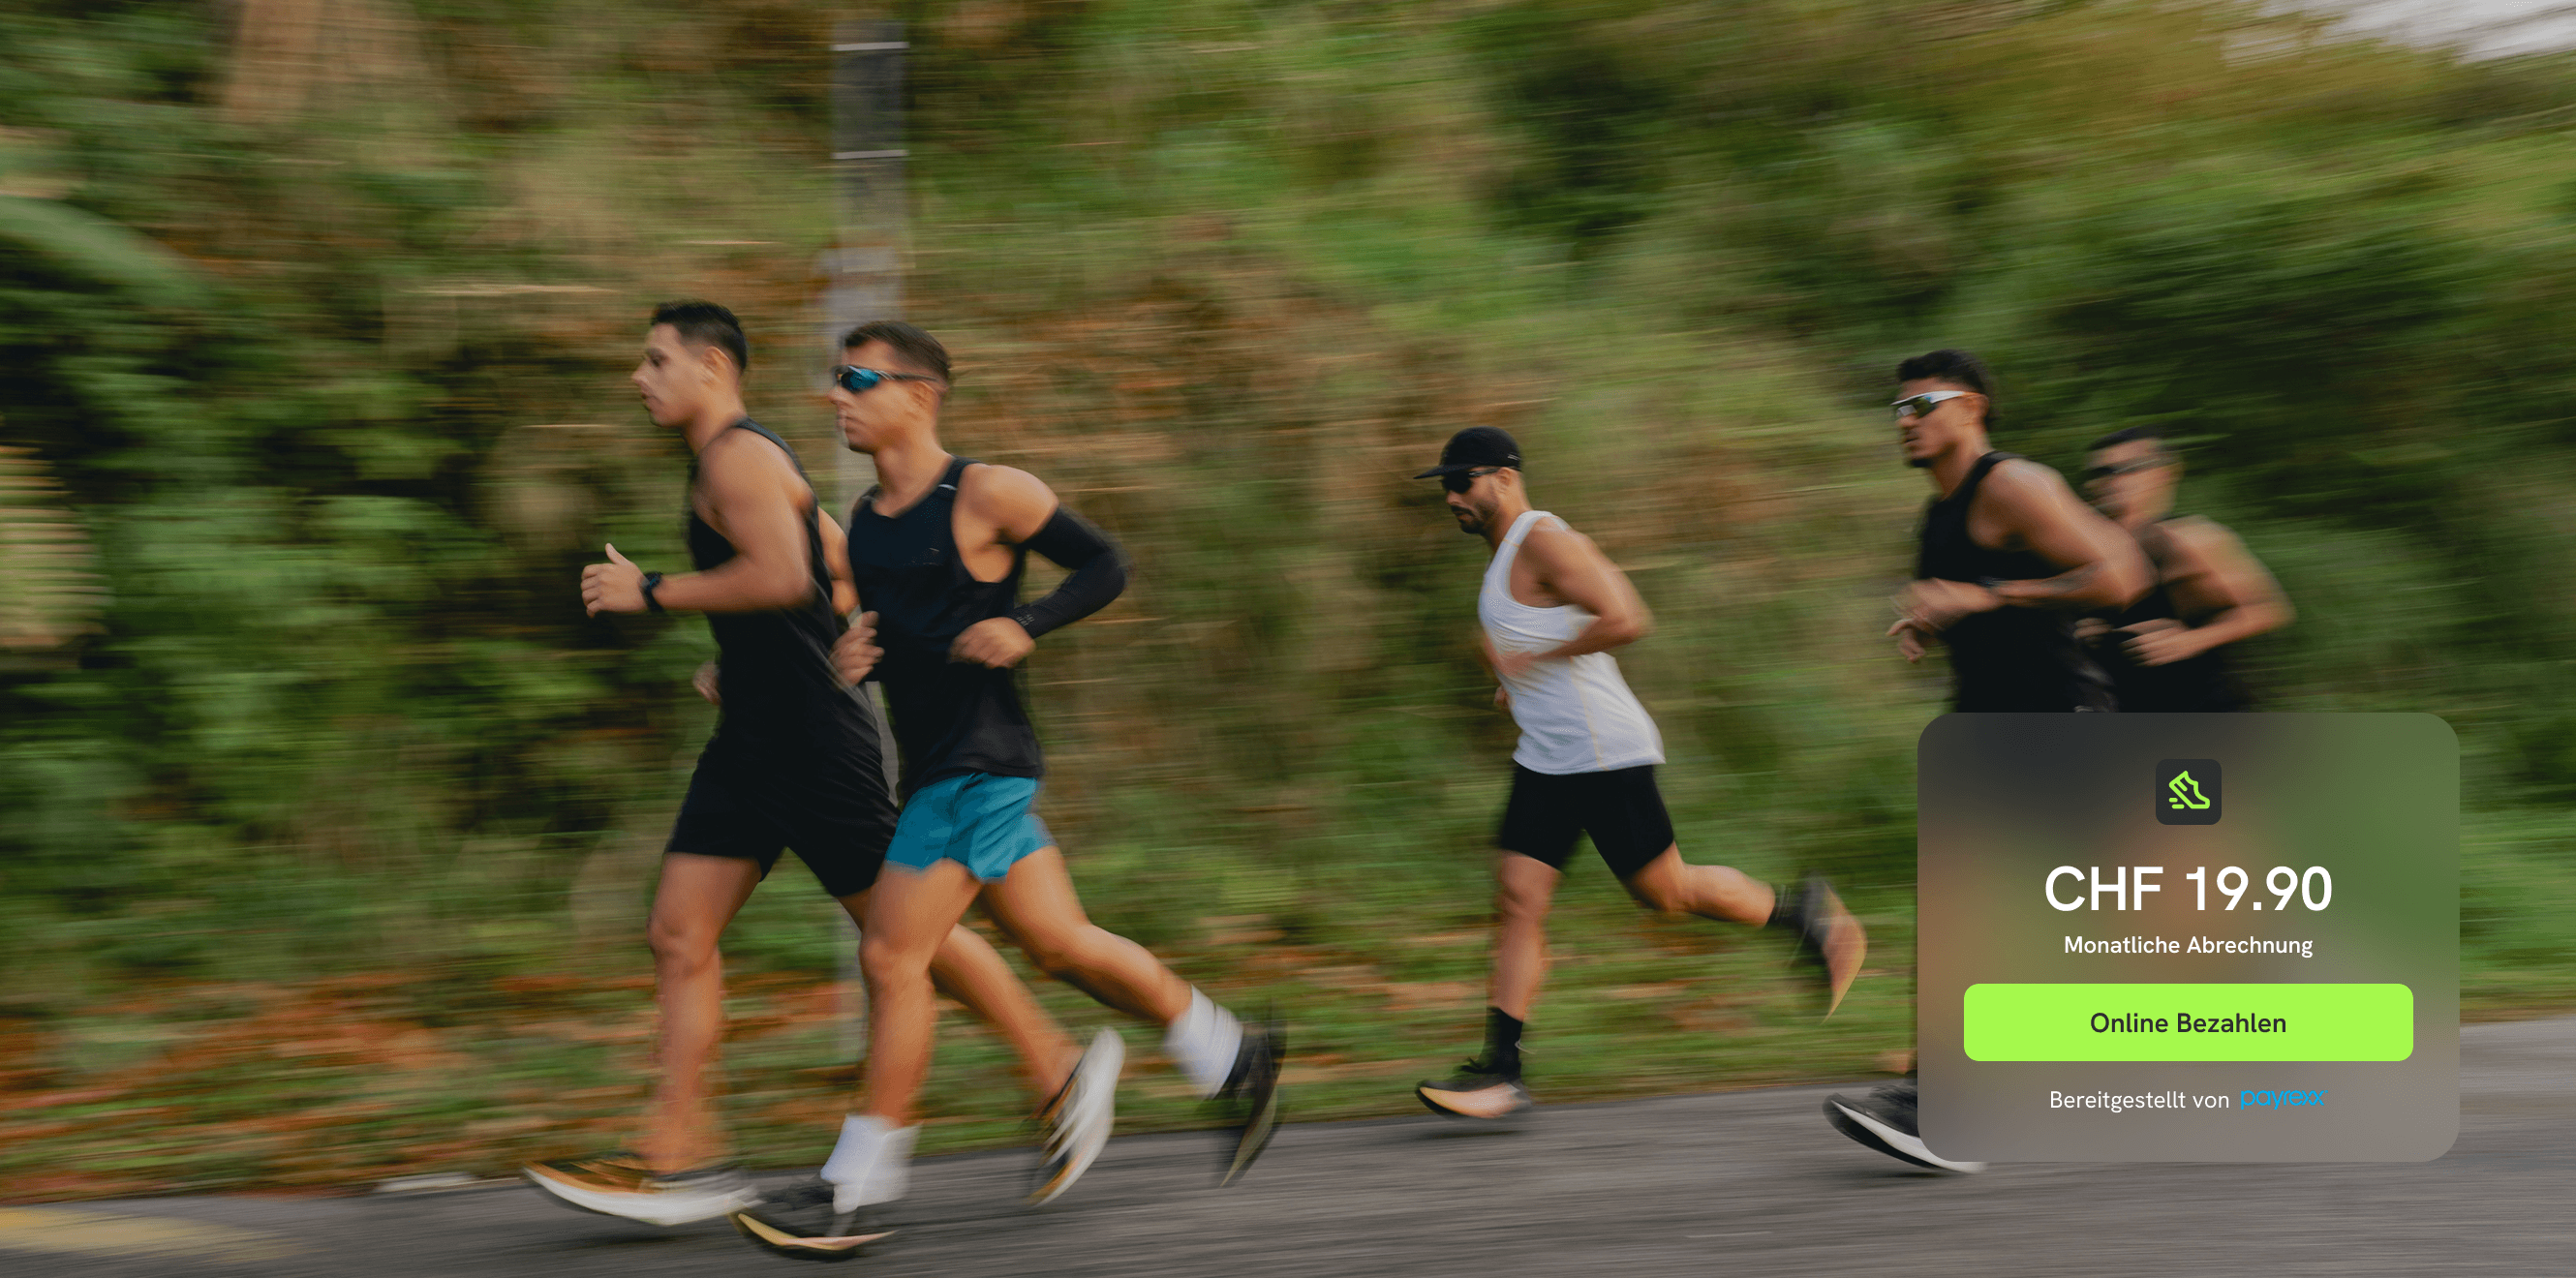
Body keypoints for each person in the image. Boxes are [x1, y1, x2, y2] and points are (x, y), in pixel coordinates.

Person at [526, 302, 1116, 1229]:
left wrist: (654, 591)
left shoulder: (739, 457)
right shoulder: (736, 462)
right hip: (753, 737)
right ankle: (680, 1159)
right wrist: (753, 656)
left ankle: (1055, 1070)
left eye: (656, 361)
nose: (639, 378)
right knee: (678, 933)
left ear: (712, 367)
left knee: (903, 940)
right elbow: (834, 566)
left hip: (812, 742)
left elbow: (783, 577)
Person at [727, 320, 1283, 1261]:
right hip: (939, 766)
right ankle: (1233, 1052)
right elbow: (906, 634)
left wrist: (1028, 621)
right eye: (833, 379)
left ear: (919, 393)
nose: (835, 396)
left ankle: (855, 1187)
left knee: (891, 958)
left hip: (979, 767)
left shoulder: (987, 491)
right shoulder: (867, 518)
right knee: (1059, 944)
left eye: (856, 379)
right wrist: (859, 655)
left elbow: (1105, 564)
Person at [1406, 426, 1866, 1124]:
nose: (1450, 496)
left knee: (1667, 892)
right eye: (1444, 485)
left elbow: (1626, 617)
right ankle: (1502, 1071)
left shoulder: (1544, 539)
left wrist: (1536, 661)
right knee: (1518, 899)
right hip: (1547, 756)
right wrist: (1513, 682)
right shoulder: (1505, 557)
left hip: (1602, 753)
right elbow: (1535, 639)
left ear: (1504, 476)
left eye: (1461, 480)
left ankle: (1807, 918)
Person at [1825, 349, 2151, 1174]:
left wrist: (1986, 596)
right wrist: (1932, 619)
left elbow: (2121, 575)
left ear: (1971, 406)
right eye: (1897, 410)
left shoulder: (2014, 485)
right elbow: (1969, 599)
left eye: (1921, 404)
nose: (1904, 421)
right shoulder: (1937, 514)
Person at [2076, 426, 2292, 711]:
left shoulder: (2192, 537)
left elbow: (2268, 610)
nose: (2112, 480)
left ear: (2165, 472)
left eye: (2129, 468)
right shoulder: (2091, 543)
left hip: (2202, 705)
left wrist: (2191, 640)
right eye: (2100, 472)